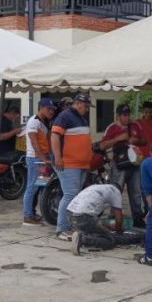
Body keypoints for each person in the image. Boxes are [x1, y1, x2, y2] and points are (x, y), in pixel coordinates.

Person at [51, 92, 93, 241]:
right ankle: (61, 229)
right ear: (79, 103)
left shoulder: (81, 118)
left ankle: (69, 226)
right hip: (68, 163)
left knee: (74, 196)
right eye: (86, 106)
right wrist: (58, 157)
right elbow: (54, 136)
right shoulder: (65, 116)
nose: (87, 109)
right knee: (69, 195)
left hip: (80, 164)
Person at [100, 104, 147, 227]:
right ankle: (114, 217)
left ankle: (137, 218)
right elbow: (102, 146)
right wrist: (118, 139)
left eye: (128, 115)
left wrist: (137, 141)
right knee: (116, 190)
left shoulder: (135, 125)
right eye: (124, 115)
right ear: (118, 116)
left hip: (135, 164)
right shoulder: (112, 128)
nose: (127, 118)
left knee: (136, 192)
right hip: (119, 165)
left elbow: (145, 141)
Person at [68, 184, 142, 255]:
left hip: (70, 214)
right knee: (110, 240)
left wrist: (106, 227)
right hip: (83, 216)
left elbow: (96, 221)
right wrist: (118, 231)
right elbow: (119, 218)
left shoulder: (97, 188)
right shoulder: (115, 191)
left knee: (95, 232)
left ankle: (82, 237)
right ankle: (83, 240)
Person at [23, 97, 56, 226]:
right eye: (49, 109)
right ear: (41, 107)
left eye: (52, 109)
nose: (51, 112)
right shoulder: (34, 122)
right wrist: (43, 158)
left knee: (38, 187)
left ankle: (31, 213)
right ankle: (27, 216)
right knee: (32, 187)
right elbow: (34, 141)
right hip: (35, 159)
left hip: (41, 159)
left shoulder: (43, 123)